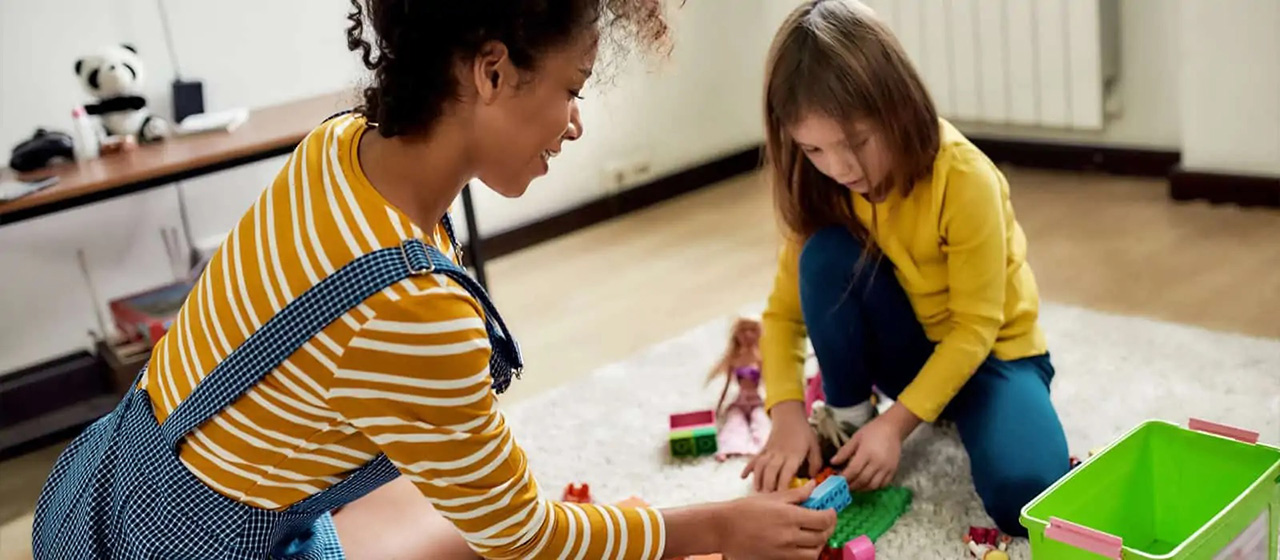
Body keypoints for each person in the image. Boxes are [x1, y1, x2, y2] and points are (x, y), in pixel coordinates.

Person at [31, 1, 837, 558]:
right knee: (519, 530)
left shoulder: (338, 149)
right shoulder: (412, 309)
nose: (575, 120)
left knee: (467, 508)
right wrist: (720, 528)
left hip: (97, 492)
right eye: (571, 89)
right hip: (182, 548)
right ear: (491, 71)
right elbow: (524, 539)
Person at [742, 0, 1070, 536]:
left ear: (897, 107)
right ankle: (848, 415)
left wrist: (898, 426)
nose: (840, 167)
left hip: (995, 357)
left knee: (1026, 498)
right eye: (814, 149)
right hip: (906, 350)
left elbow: (975, 328)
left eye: (855, 143)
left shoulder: (964, 177)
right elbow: (782, 317)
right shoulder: (822, 186)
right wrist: (785, 416)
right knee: (825, 255)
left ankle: (916, 418)